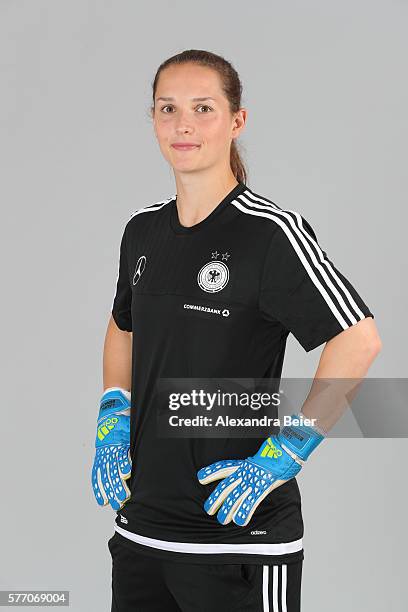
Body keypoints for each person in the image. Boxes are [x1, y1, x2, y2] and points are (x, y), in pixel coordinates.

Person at [91, 49, 382, 612]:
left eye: (203, 108)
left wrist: (287, 452)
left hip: (237, 536)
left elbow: (358, 338)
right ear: (151, 118)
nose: (183, 125)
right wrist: (112, 412)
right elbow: (122, 327)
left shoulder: (270, 234)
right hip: (143, 532)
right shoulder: (142, 232)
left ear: (236, 120)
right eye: (167, 108)